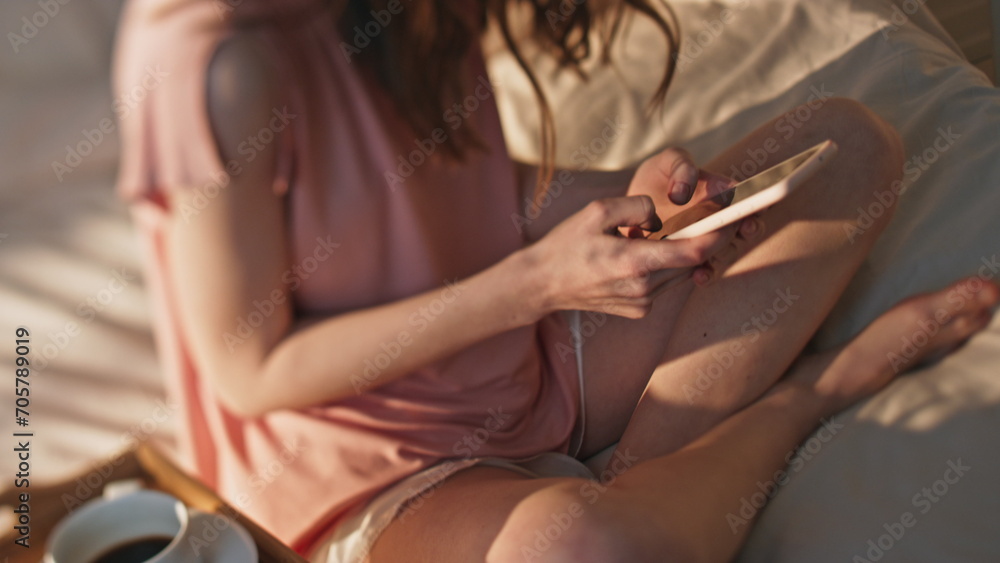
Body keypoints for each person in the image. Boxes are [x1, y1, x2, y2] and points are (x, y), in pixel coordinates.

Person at [110, 0, 999, 561]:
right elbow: (251, 370)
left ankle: (645, 470)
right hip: (363, 467)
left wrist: (616, 198)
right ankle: (810, 395)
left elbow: (461, 176)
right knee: (588, 546)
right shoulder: (213, 60)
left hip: (527, 352)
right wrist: (532, 283)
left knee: (850, 145)